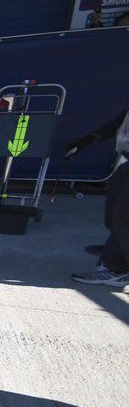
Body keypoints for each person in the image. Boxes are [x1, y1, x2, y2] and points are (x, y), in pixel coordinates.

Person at [67, 107, 129, 287]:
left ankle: (114, 268)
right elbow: (120, 120)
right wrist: (90, 138)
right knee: (113, 214)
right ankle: (115, 255)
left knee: (123, 216)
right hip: (125, 159)